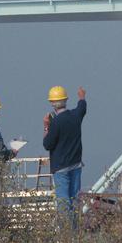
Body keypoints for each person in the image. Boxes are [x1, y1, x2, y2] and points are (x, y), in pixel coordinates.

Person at [41, 84, 86, 229]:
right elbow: (82, 108)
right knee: (74, 200)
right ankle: (74, 234)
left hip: (61, 168)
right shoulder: (75, 116)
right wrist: (81, 97)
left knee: (63, 203)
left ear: (53, 104)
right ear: (65, 100)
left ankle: (66, 236)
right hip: (76, 165)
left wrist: (46, 126)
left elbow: (47, 144)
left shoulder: (56, 123)